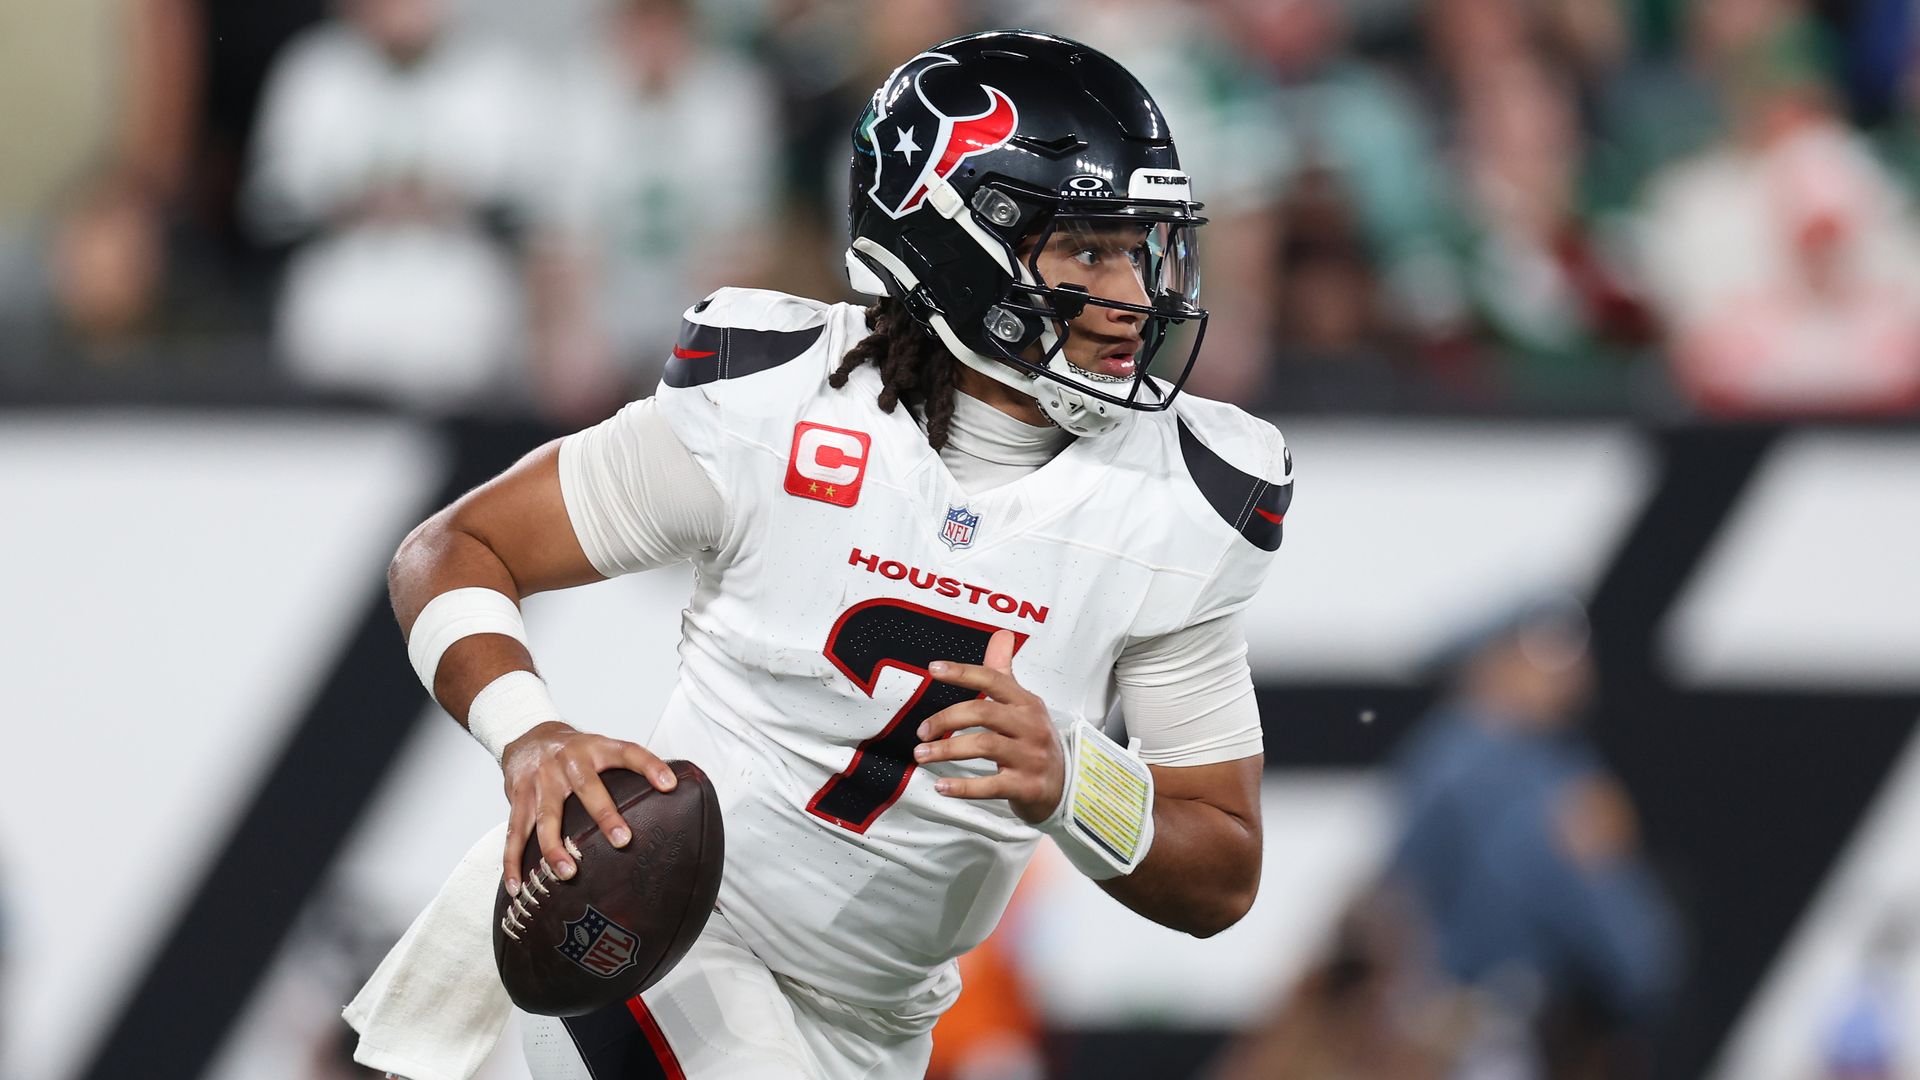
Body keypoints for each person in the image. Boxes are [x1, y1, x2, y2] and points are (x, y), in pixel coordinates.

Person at [346, 30, 1290, 1080]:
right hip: (663, 933)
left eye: (1145, 248)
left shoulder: (1177, 501)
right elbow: (453, 547)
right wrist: (528, 736)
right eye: (1089, 251)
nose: (1134, 294)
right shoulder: (772, 408)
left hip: (877, 1026)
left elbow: (1222, 868)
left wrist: (1077, 778)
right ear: (953, 238)